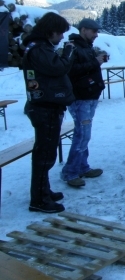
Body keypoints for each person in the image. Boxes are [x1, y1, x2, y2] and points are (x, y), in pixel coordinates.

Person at [22, 12, 75, 213]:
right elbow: (58, 68)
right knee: (44, 154)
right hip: (44, 108)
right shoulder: (38, 50)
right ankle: (39, 200)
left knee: (46, 152)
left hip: (47, 105)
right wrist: (68, 52)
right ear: (50, 31)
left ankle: (43, 191)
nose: (62, 37)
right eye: (60, 33)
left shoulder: (40, 48)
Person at [61, 18, 106, 188]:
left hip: (90, 96)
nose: (96, 35)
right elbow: (69, 70)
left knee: (84, 134)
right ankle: (70, 172)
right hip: (80, 98)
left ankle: (82, 166)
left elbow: (86, 68)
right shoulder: (72, 47)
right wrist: (95, 62)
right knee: (82, 134)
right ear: (83, 30)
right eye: (93, 31)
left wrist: (96, 61)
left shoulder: (85, 47)